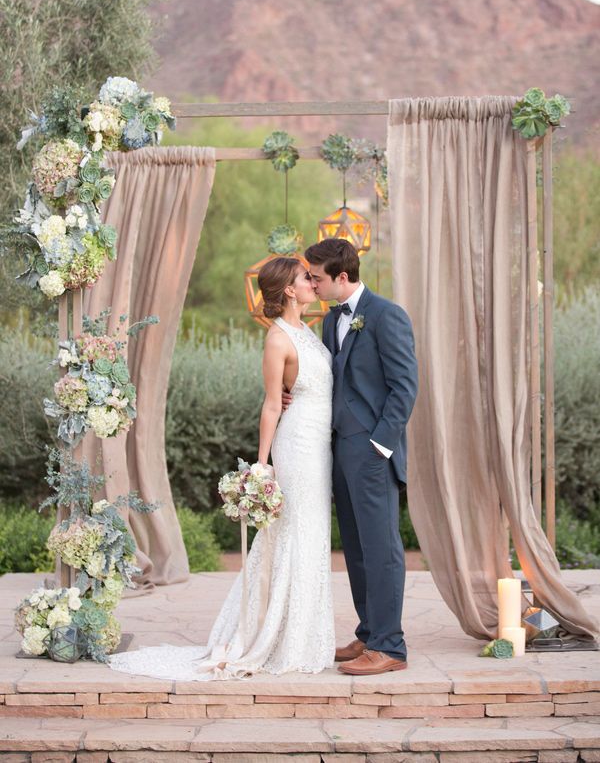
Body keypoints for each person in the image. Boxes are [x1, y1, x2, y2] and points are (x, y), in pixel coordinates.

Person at [107, 256, 335, 680]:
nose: (312, 283)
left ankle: (302, 635)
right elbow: (271, 403)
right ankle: (272, 638)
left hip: (322, 446)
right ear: (289, 289)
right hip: (298, 447)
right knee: (292, 538)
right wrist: (262, 467)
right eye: (306, 278)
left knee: (311, 537)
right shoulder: (277, 339)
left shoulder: (309, 330)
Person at [302, 238, 418, 676]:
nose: (312, 283)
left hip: (371, 451)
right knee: (355, 548)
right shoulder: (332, 320)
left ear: (342, 277)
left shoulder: (387, 316)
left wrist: (380, 445)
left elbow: (404, 386)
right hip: (338, 449)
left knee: (382, 548)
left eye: (317, 277)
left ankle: (391, 646)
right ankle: (370, 632)